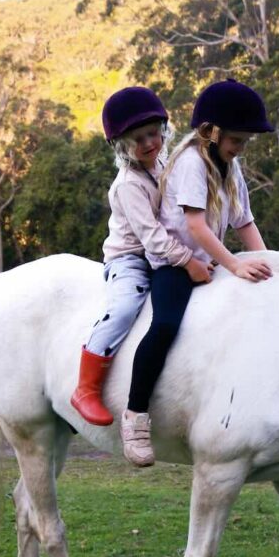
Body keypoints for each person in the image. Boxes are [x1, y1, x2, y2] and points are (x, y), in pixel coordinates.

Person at [120, 79, 275, 467]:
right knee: (166, 325)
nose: (239, 148)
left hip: (207, 261)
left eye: (244, 142)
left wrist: (272, 265)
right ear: (210, 132)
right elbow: (196, 227)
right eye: (235, 140)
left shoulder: (230, 167)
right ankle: (135, 414)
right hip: (175, 262)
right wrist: (236, 264)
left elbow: (244, 221)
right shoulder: (191, 161)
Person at [71, 87, 211, 426]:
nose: (149, 143)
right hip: (131, 258)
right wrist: (190, 262)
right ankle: (85, 388)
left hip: (163, 254)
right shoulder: (127, 185)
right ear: (122, 146)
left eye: (153, 133)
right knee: (122, 309)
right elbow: (152, 238)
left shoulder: (166, 163)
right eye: (138, 139)